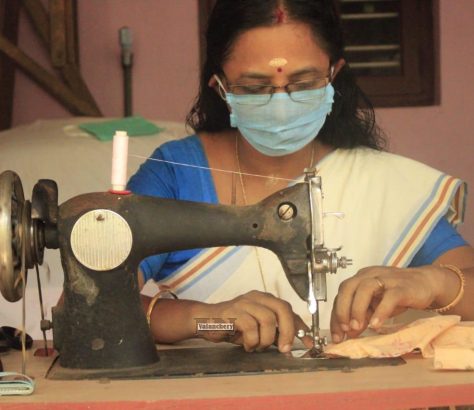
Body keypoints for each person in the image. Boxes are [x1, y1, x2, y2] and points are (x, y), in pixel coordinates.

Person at [127, 0, 474, 353]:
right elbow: (88, 309)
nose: (281, 104)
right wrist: (205, 319)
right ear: (221, 88)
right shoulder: (174, 175)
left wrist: (433, 283)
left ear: (333, 77)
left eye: (305, 82)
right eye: (255, 87)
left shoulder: (384, 184)